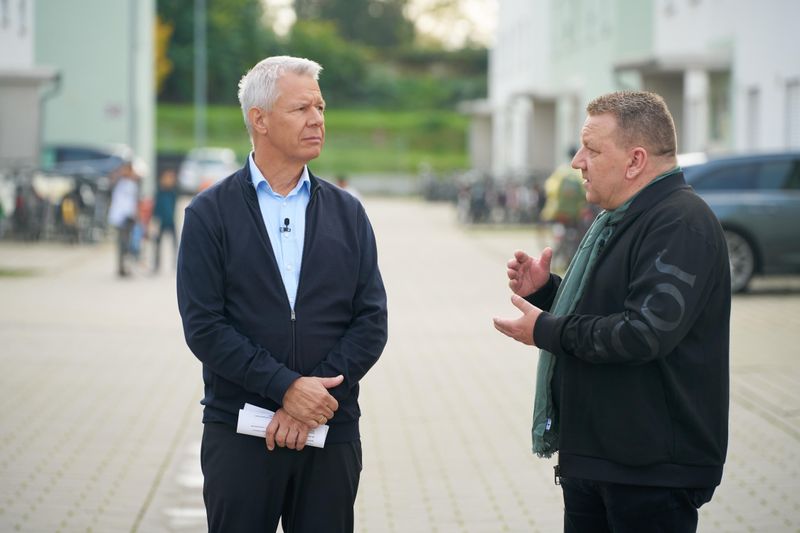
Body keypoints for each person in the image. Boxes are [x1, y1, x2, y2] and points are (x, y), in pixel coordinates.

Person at [493, 91, 730, 533]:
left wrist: (546, 329)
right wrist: (550, 293)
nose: (578, 161)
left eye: (592, 149)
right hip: (598, 459)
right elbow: (618, 307)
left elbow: (643, 332)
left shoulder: (679, 222)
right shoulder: (621, 217)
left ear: (635, 160)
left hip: (650, 471)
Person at [176, 56, 388, 533]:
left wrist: (312, 399)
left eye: (321, 106)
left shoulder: (348, 213)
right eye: (301, 108)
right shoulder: (210, 215)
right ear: (260, 120)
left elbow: (371, 319)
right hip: (241, 434)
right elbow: (204, 327)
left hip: (330, 431)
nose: (317, 119)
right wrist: (285, 389)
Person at [107, 162, 140, 277]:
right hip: (120, 217)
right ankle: (121, 267)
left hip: (129, 216)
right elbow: (110, 182)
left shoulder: (133, 184)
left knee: (128, 243)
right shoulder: (119, 183)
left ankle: (127, 266)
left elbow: (135, 201)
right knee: (122, 243)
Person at [151, 169, 178, 273]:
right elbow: (155, 207)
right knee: (157, 243)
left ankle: (176, 263)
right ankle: (156, 264)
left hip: (171, 220)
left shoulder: (173, 192)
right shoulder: (159, 192)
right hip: (160, 221)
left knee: (175, 244)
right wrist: (154, 221)